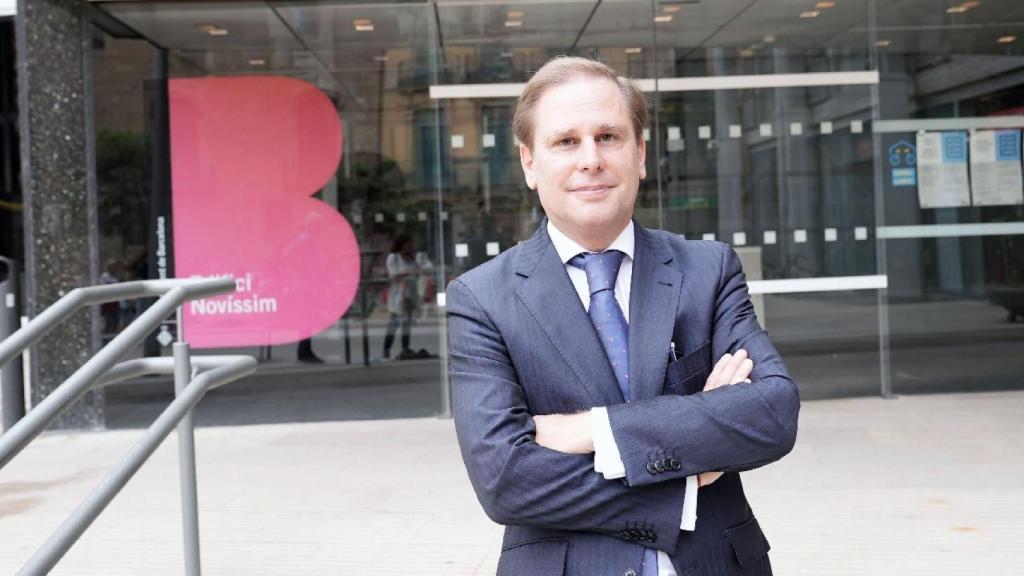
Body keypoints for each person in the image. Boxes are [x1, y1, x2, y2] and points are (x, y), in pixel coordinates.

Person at [446, 56, 800, 576]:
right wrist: (685, 467)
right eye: (566, 142)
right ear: (528, 163)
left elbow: (771, 414)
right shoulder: (481, 298)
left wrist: (594, 429)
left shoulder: (708, 269)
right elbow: (506, 481)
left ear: (639, 154)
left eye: (608, 136)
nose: (590, 159)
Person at [383, 232, 430, 360]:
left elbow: (420, 271)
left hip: (410, 294)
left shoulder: (410, 258)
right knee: (394, 323)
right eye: (408, 243)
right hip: (398, 295)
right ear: (402, 244)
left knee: (406, 324)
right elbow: (393, 276)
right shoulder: (393, 257)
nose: (410, 246)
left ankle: (405, 349)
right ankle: (386, 350)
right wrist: (410, 272)